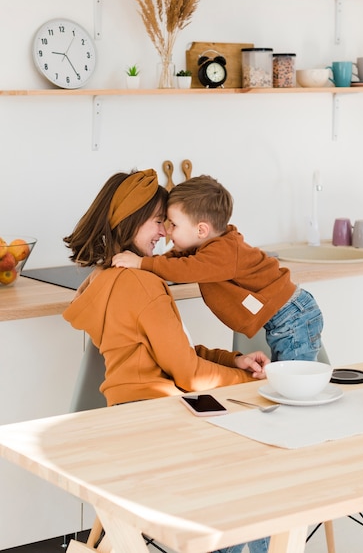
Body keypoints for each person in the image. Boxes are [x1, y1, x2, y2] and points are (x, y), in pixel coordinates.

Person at [63, 168, 270, 553]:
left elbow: (169, 355)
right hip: (159, 424)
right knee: (263, 471)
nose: (165, 233)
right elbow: (189, 375)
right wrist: (255, 383)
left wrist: (232, 360)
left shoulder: (103, 279)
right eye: (159, 221)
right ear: (131, 219)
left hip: (124, 421)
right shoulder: (142, 283)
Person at [112, 174, 324, 363]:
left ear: (201, 230)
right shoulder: (208, 247)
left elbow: (187, 269)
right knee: (287, 379)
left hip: (294, 316)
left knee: (295, 381)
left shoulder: (223, 252)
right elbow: (178, 258)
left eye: (173, 225)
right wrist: (148, 263)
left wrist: (142, 263)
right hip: (286, 317)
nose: (167, 231)